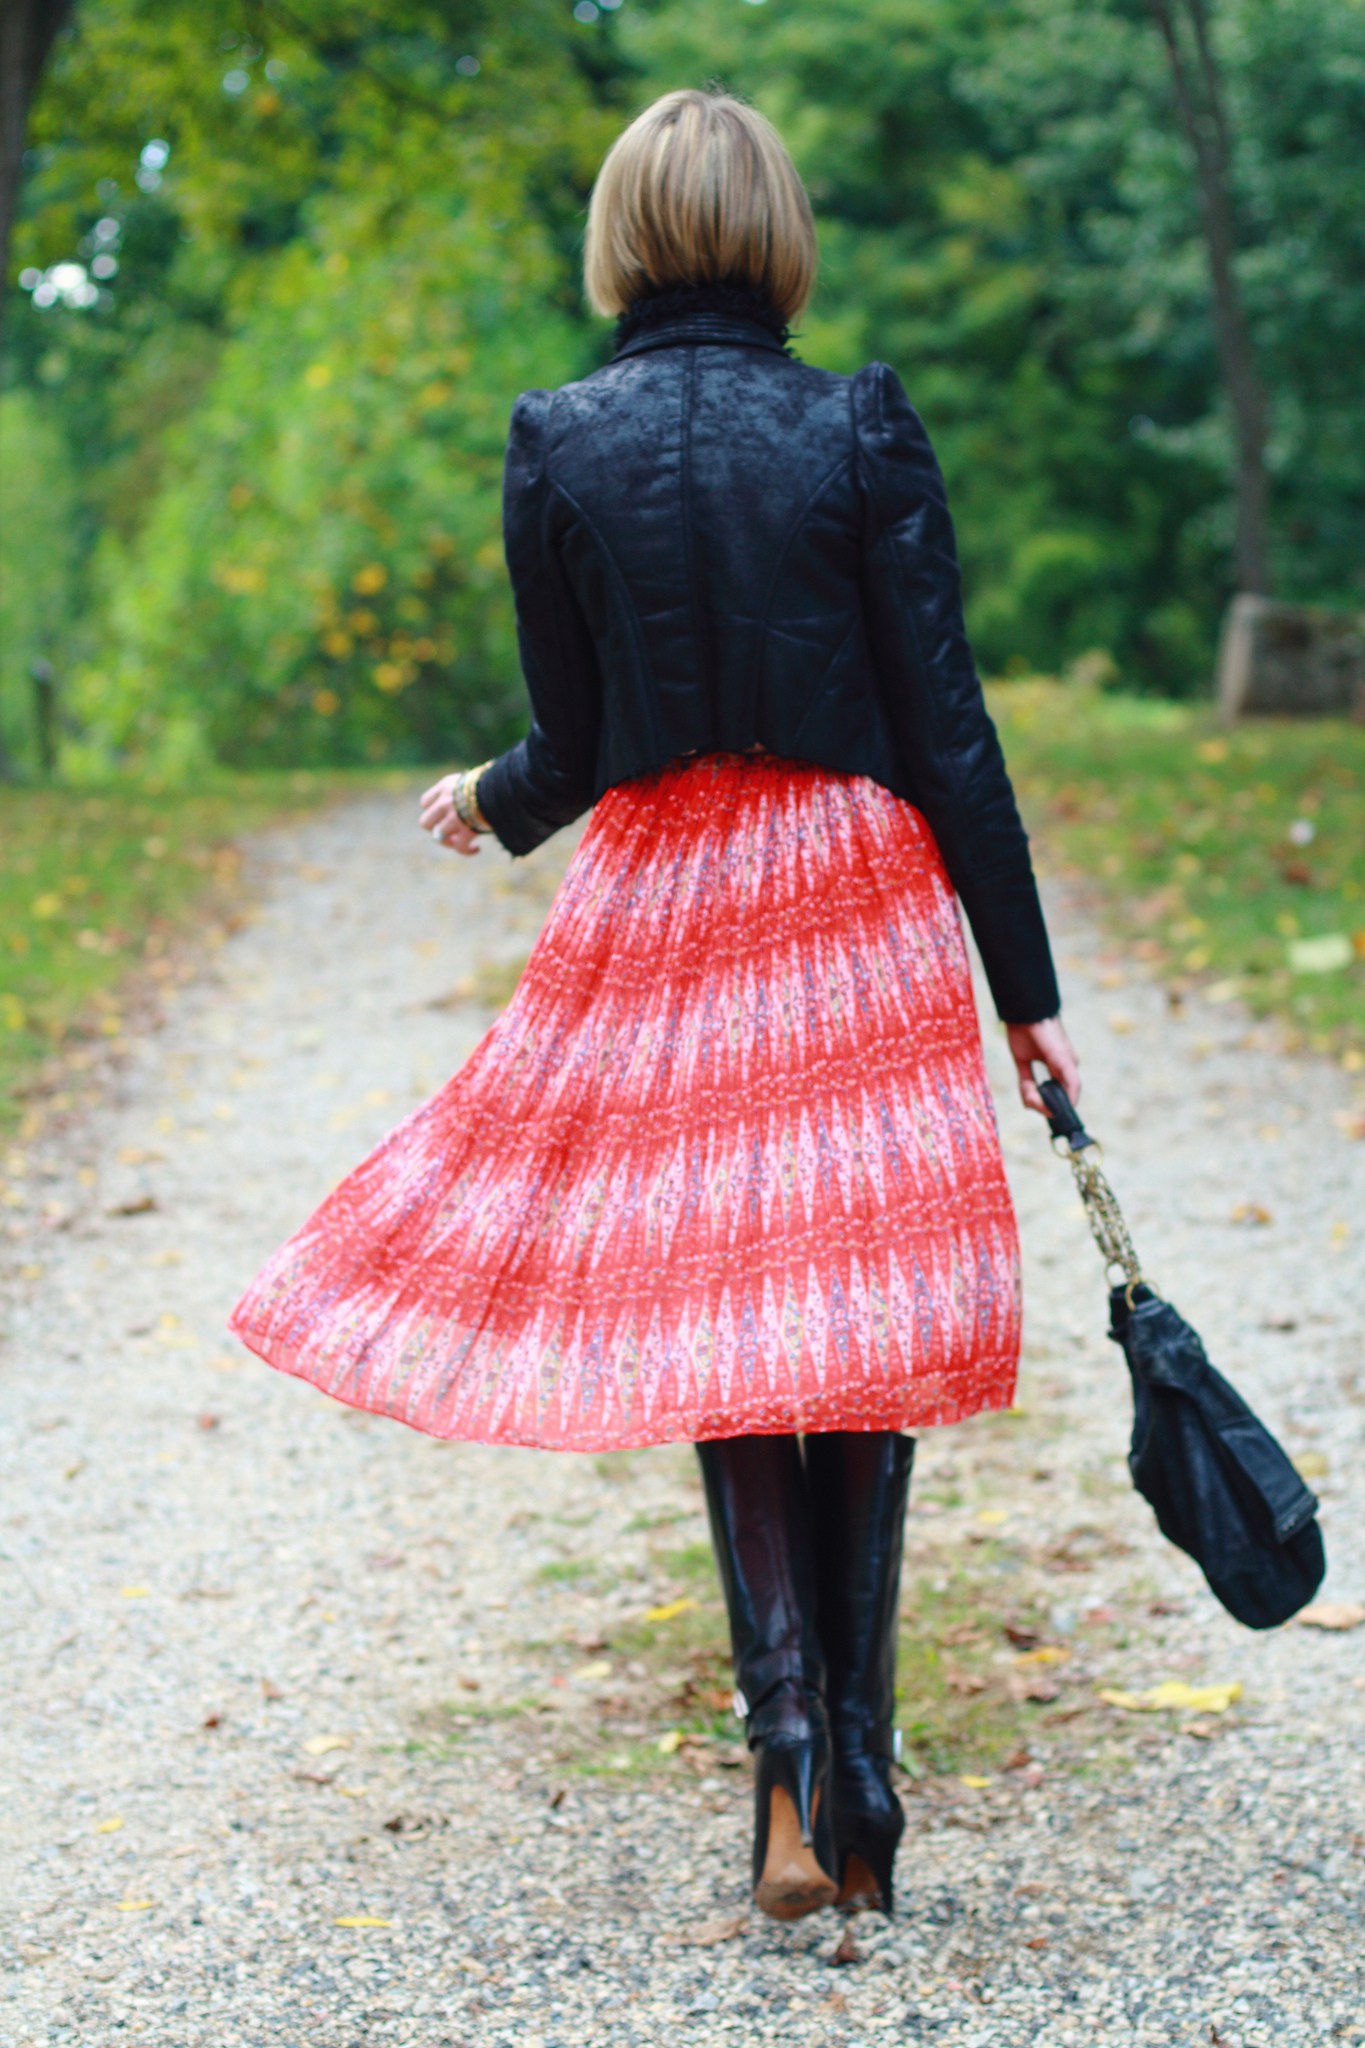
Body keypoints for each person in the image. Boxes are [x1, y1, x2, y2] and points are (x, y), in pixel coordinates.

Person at [231, 88, 1079, 1925]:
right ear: (779, 232)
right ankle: (862, 1764)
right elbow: (950, 731)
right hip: (852, 895)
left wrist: (495, 796)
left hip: (671, 900)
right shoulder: (859, 420)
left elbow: (592, 735)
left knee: (731, 1328)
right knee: (852, 1325)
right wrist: (1025, 992)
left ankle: (780, 1747)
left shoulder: (557, 438)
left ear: (621, 233)